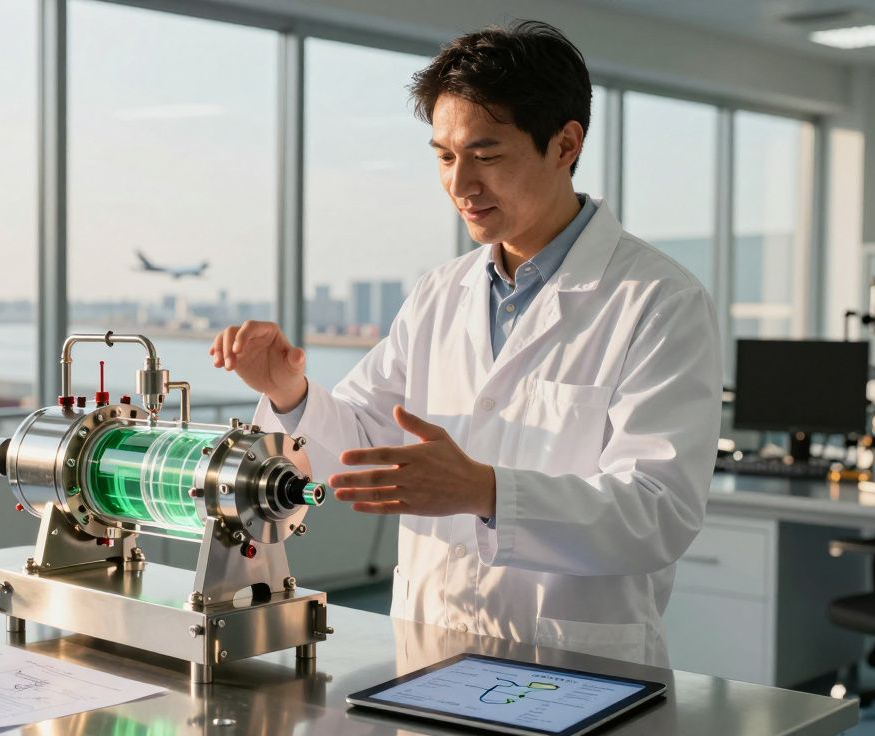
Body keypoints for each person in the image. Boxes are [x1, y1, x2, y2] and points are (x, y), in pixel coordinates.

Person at [208, 20, 721, 667]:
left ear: (565, 145)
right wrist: (287, 390)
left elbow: (658, 513)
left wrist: (487, 491)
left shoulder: (658, 301)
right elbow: (361, 447)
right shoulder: (439, 293)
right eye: (445, 157)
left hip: (570, 658)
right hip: (431, 640)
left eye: (486, 155)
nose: (460, 184)